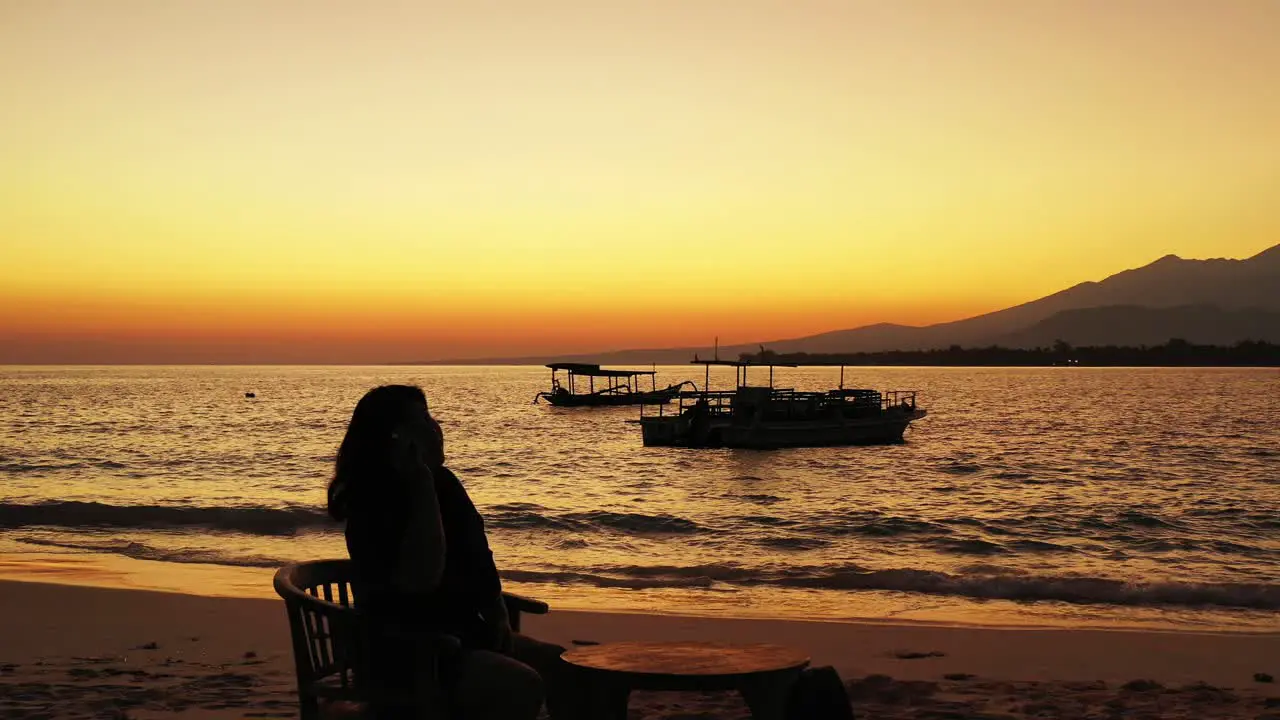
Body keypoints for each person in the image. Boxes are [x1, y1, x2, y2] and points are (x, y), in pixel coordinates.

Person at [327, 385, 572, 720]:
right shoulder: (371, 499)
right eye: (421, 421)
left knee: (566, 665)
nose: (435, 428)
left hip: (461, 635)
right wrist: (422, 487)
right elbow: (420, 579)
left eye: (431, 417)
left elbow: (477, 553)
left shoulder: (444, 482)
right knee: (521, 684)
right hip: (411, 651)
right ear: (395, 438)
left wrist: (497, 611)